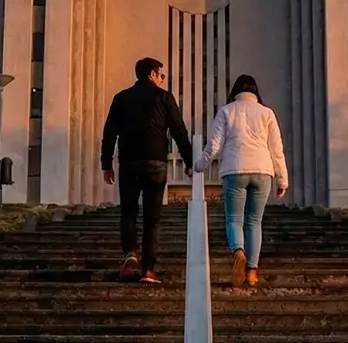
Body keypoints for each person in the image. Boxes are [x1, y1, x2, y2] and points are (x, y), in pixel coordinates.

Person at [101, 57, 193, 285]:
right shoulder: (164, 97)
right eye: (161, 75)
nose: (162, 79)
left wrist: (106, 164)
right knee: (153, 218)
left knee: (129, 211)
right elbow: (178, 130)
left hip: (129, 162)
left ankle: (131, 254)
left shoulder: (121, 98)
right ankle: (148, 270)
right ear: (152, 74)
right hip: (156, 162)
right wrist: (190, 160)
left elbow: (109, 132)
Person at [194, 74, 288, 287]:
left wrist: (199, 166)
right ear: (255, 92)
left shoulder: (226, 111)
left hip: (234, 170)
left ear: (235, 91)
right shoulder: (267, 113)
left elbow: (214, 146)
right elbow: (277, 149)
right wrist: (282, 179)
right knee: (254, 221)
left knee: (234, 219)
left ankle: (238, 250)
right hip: (263, 172)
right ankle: (252, 273)